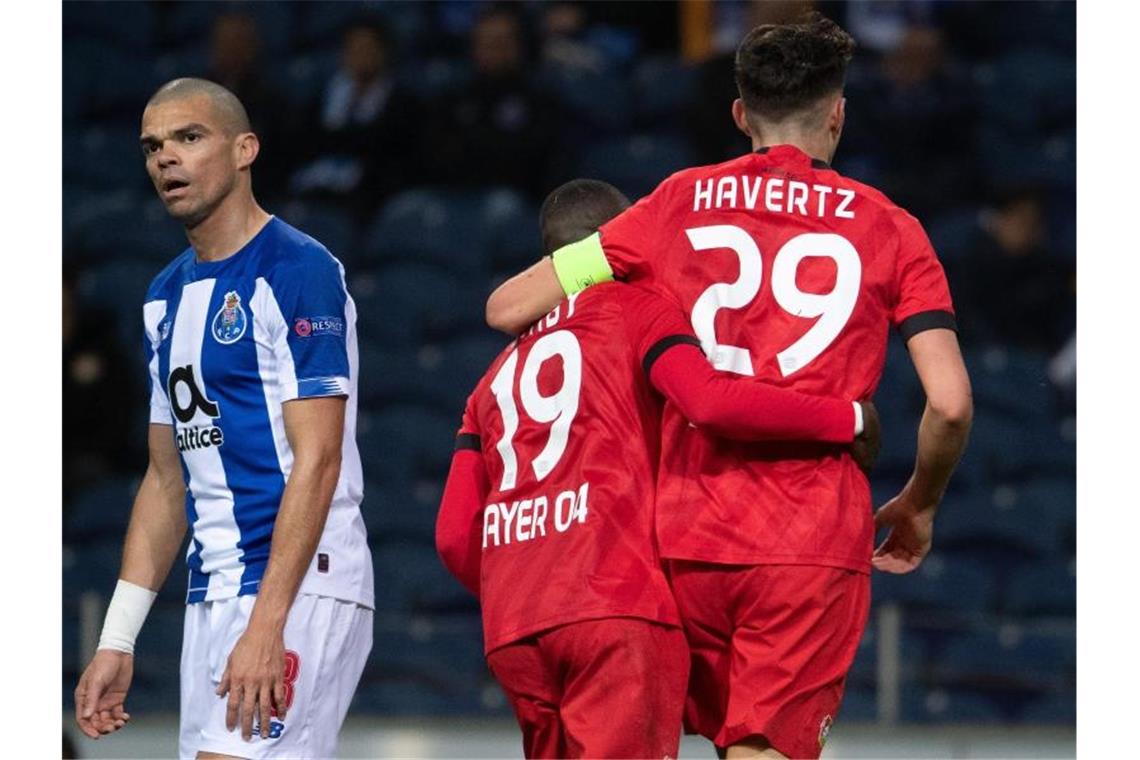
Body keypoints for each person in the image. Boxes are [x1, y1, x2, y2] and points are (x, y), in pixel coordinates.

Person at [485, 15, 973, 760]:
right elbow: (949, 403)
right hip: (808, 540)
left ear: (742, 114)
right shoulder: (891, 228)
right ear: (838, 113)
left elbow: (511, 306)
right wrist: (922, 502)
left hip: (687, 533)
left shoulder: (674, 205)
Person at [437, 179, 881, 759]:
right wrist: (845, 419)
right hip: (613, 606)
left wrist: (530, 576)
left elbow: (452, 535)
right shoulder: (634, 310)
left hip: (515, 627)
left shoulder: (488, 383)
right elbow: (709, 400)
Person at [72, 78, 373, 760]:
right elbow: (164, 478)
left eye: (188, 138)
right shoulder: (164, 295)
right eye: (152, 147)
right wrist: (119, 637)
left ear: (245, 150)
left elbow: (318, 458)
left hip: (298, 585)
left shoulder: (299, 270)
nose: (164, 160)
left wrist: (269, 622)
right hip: (212, 593)